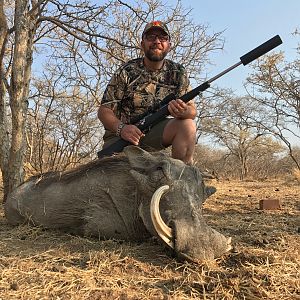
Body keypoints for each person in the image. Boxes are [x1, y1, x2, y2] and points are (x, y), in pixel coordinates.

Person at [98, 20, 197, 164]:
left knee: (188, 125)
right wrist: (122, 129)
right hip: (120, 137)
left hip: (152, 135)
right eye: (151, 37)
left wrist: (183, 111)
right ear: (142, 44)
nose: (157, 41)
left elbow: (192, 112)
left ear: (169, 45)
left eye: (162, 38)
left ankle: (181, 179)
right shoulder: (126, 71)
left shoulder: (178, 72)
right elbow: (104, 111)